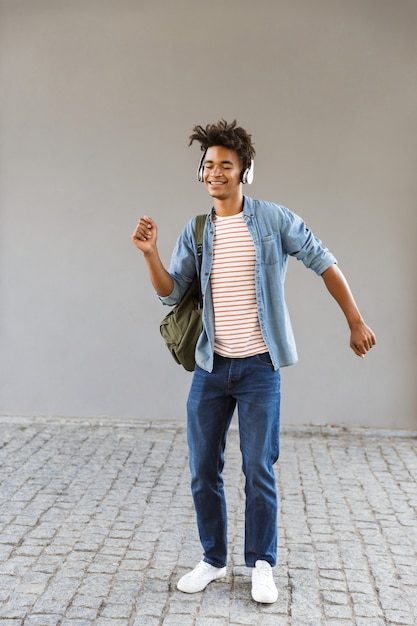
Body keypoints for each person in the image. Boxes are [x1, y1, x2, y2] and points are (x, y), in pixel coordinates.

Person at [131, 119, 376, 604]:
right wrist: (150, 254)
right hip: (210, 366)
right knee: (203, 468)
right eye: (208, 166)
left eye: (226, 165)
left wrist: (355, 319)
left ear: (245, 172)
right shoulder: (197, 229)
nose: (215, 173)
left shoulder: (274, 220)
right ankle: (213, 560)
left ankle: (262, 563)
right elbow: (170, 293)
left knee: (258, 467)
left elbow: (322, 259)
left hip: (260, 367)